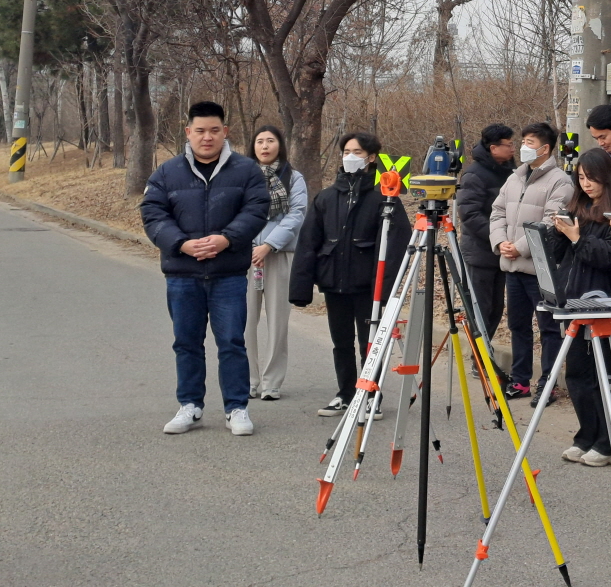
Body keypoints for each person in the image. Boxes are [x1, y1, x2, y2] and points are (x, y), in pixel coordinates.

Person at [141, 101, 271, 437]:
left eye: (214, 130)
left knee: (231, 341)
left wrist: (227, 239)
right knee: (186, 341)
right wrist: (180, 243)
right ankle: (190, 405)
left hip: (228, 273)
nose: (207, 137)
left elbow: (257, 209)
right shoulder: (167, 173)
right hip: (183, 274)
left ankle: (236, 408)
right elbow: (153, 214)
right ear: (188, 133)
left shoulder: (246, 171)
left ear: (225, 132)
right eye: (200, 131)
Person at [288, 131, 412, 417]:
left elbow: (397, 240)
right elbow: (308, 243)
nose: (349, 157)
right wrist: (301, 287)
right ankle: (345, 393)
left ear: (371, 158)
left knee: (369, 342)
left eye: (356, 152)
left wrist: (387, 286)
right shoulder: (327, 197)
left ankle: (370, 395)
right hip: (334, 283)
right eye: (346, 151)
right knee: (340, 342)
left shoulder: (385, 196)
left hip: (368, 284)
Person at [546, 145, 611, 468]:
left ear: (607, 177)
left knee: (603, 374)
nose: (586, 184)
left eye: (592, 178)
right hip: (573, 300)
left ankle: (607, 442)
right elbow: (558, 255)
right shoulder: (577, 205)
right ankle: (586, 434)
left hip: (604, 301)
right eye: (581, 177)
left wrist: (577, 238)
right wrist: (559, 232)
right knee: (577, 373)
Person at [488, 122, 574, 397]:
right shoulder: (515, 176)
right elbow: (497, 212)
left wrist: (521, 248)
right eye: (522, 141)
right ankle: (521, 380)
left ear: (545, 148)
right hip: (513, 268)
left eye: (529, 142)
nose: (523, 147)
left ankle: (547, 384)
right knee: (518, 326)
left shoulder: (560, 180)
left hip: (541, 269)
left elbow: (553, 221)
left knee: (548, 328)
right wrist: (501, 242)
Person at [245, 125, 307, 402]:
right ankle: (248, 379)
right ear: (253, 146)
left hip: (280, 255)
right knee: (242, 322)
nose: (265, 146)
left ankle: (271, 382)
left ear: (280, 145)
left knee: (278, 322)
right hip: (245, 257)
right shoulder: (241, 176)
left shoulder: (294, 178)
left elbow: (297, 214)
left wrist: (269, 245)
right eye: (260, 141)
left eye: (270, 141)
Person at [456, 123, 516, 342]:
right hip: (481, 252)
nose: (513, 149)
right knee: (480, 308)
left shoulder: (510, 171)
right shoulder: (474, 174)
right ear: (493, 148)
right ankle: (479, 359)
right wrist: (497, 238)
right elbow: (470, 215)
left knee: (496, 308)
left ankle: (485, 355)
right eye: (508, 145)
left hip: (503, 252)